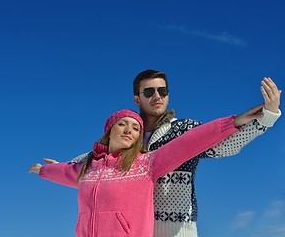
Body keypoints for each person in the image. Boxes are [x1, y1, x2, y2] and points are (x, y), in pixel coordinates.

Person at [56, 72, 282, 237]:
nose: (157, 95)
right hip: (135, 231)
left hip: (178, 231)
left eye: (162, 91)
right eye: (149, 91)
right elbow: (100, 160)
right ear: (137, 99)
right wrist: (62, 166)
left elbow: (225, 146)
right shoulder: (130, 137)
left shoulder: (183, 130)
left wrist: (268, 117)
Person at [28, 107, 264, 237]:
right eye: (123, 124)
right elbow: (65, 171)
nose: (129, 130)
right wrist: (43, 170)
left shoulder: (146, 164)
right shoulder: (89, 169)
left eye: (135, 128)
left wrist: (234, 122)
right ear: (109, 131)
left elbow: (191, 142)